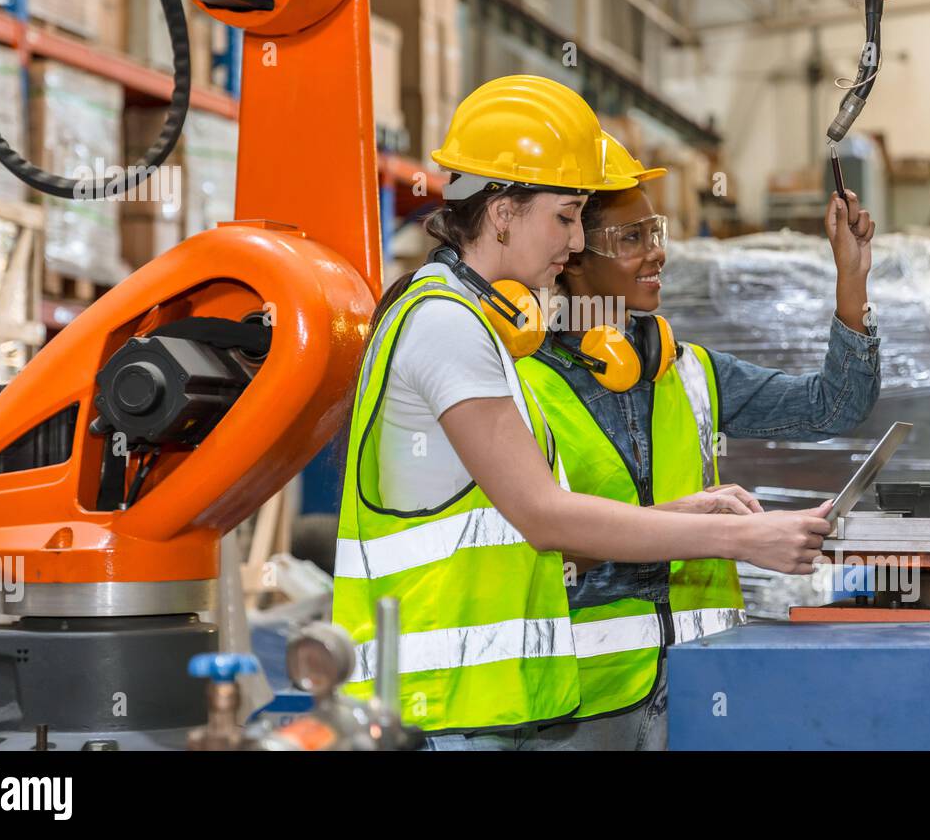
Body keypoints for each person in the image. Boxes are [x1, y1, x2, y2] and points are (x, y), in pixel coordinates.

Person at [332, 76, 837, 750]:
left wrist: (678, 515)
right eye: (565, 216)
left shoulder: (477, 323)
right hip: (442, 714)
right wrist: (742, 540)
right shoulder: (446, 326)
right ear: (504, 211)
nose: (575, 243)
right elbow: (543, 516)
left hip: (478, 707)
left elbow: (521, 523)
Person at [516, 133, 882, 750]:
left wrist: (852, 278)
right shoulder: (520, 388)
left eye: (654, 232)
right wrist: (715, 531)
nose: (656, 254)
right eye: (631, 239)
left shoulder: (685, 370)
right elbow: (534, 554)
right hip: (582, 705)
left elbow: (833, 405)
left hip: (703, 684)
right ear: (572, 255)